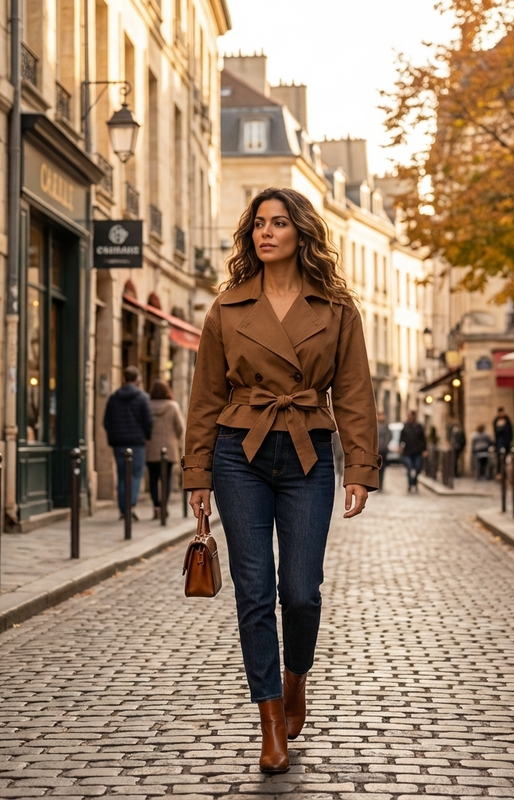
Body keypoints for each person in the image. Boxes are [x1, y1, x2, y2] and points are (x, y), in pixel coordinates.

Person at [182, 187, 380, 775]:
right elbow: (205, 398)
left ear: (302, 234)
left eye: (279, 223)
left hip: (308, 452)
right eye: (259, 224)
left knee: (300, 590)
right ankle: (271, 720)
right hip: (237, 451)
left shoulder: (337, 308)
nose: (266, 233)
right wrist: (198, 473)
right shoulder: (228, 307)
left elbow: (353, 393)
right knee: (253, 592)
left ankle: (296, 677)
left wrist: (361, 468)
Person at [103, 366, 153, 520]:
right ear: (137, 379)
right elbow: (149, 421)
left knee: (122, 475)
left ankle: (123, 509)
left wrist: (114, 436)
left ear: (124, 379)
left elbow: (106, 421)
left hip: (119, 443)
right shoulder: (142, 397)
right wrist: (146, 436)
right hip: (136, 442)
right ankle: (130, 506)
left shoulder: (114, 397)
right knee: (136, 475)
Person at [145, 379, 185, 520]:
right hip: (169, 448)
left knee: (153, 479)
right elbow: (180, 427)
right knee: (166, 478)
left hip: (151, 448)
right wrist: (175, 439)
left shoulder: (147, 406)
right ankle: (164, 507)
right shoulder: (173, 406)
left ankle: (156, 506)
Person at [399, 409, 427, 492]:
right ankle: (410, 484)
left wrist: (424, 450)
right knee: (409, 468)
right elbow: (402, 438)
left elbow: (423, 439)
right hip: (408, 452)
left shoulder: (419, 426)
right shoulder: (405, 426)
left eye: (410, 415)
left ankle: (415, 482)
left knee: (418, 468)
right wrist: (400, 446)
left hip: (417, 451)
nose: (409, 417)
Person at [492, 406, 513, 476]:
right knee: (499, 457)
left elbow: (510, 431)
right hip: (499, 442)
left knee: (506, 458)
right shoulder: (496, 421)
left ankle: (505, 474)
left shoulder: (507, 420)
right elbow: (496, 433)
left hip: (506, 441)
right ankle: (499, 473)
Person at [376, 411, 391, 490]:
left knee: (383, 467)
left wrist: (385, 445)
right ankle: (377, 483)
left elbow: (389, 436)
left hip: (384, 451)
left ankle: (381, 482)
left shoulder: (386, 426)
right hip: (376, 451)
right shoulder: (375, 426)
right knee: (377, 468)